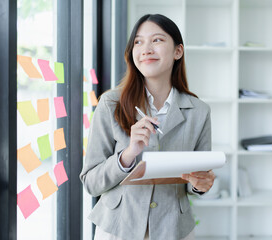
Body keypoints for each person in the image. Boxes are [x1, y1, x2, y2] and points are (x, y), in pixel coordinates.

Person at [80, 14, 215, 240]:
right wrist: (129, 154)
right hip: (117, 229)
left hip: (174, 230)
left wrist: (201, 184)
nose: (146, 49)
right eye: (138, 42)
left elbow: (196, 181)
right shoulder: (110, 104)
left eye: (157, 40)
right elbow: (91, 183)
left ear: (178, 51)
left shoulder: (199, 111)